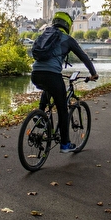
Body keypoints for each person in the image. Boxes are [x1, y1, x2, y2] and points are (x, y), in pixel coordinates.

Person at [31, 11, 98, 153]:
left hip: (35, 73)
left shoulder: (45, 34)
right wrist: (93, 73)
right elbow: (84, 57)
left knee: (47, 88)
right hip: (52, 76)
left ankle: (40, 115)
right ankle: (65, 144)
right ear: (68, 25)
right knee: (62, 109)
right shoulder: (67, 39)